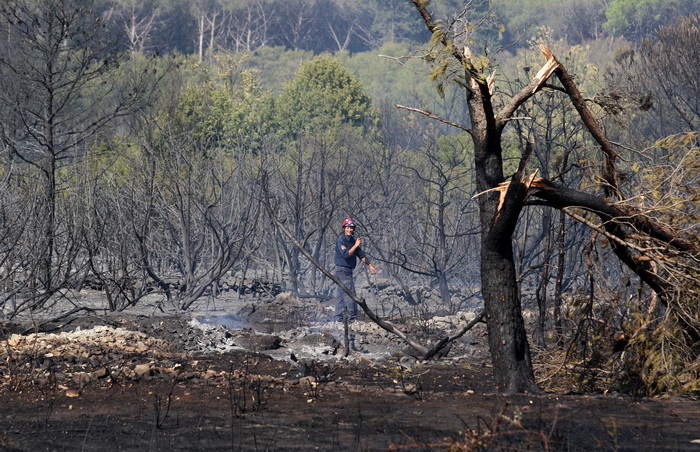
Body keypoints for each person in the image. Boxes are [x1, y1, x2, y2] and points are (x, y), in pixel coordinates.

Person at [333, 217, 377, 323]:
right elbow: (346, 255)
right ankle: (352, 319)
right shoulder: (341, 241)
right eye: (347, 227)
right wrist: (356, 245)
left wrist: (370, 265)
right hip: (342, 270)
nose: (350, 230)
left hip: (348, 271)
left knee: (341, 294)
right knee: (350, 294)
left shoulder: (353, 241)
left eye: (351, 228)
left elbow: (361, 255)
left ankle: (338, 318)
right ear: (344, 228)